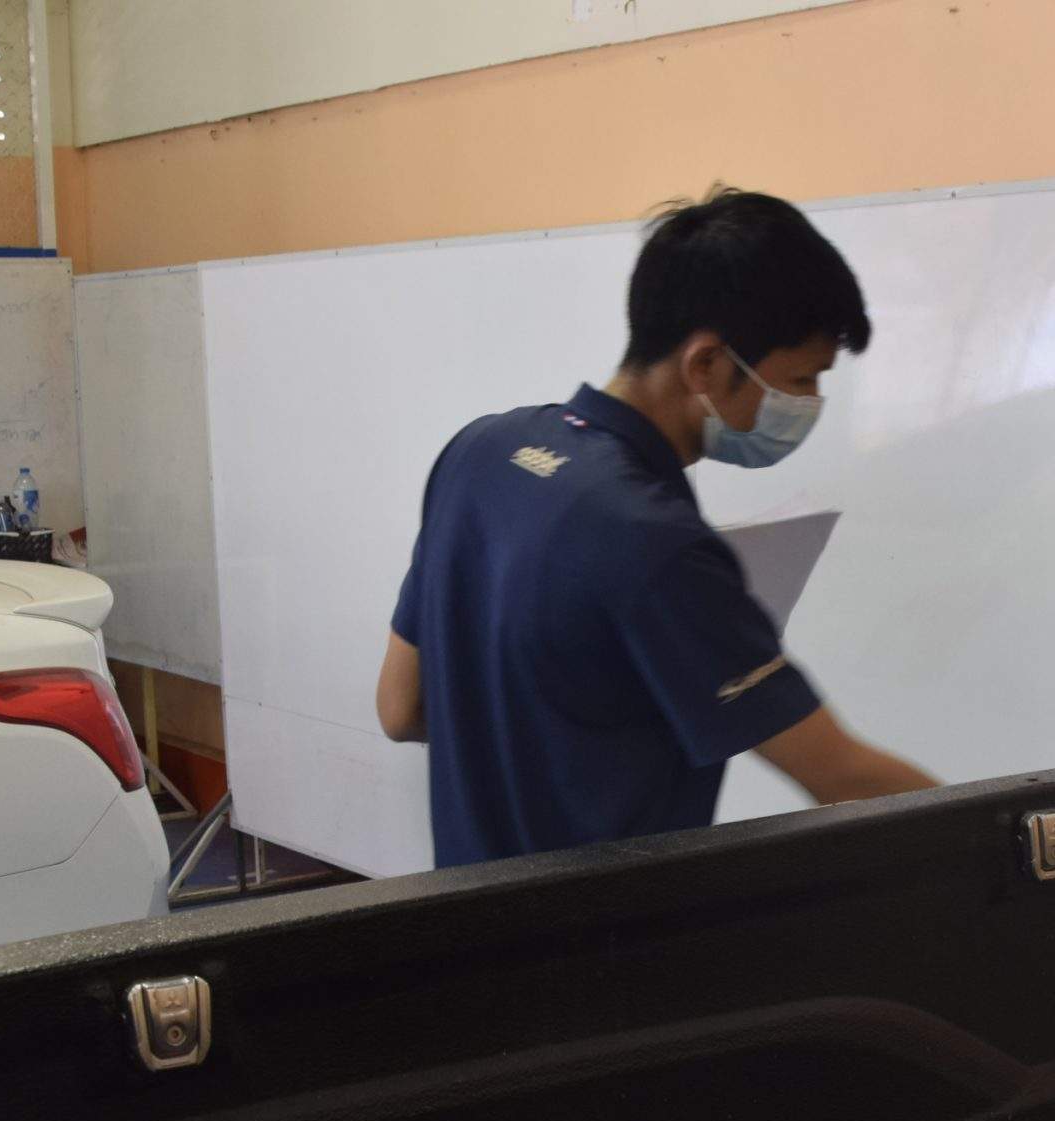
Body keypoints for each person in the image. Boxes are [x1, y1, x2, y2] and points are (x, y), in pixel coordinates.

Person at [375, 189, 935, 865]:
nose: (810, 404)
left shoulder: (478, 452)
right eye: (799, 379)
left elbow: (400, 708)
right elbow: (839, 775)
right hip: (609, 925)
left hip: (458, 920)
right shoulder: (657, 544)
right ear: (705, 364)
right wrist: (1006, 827)